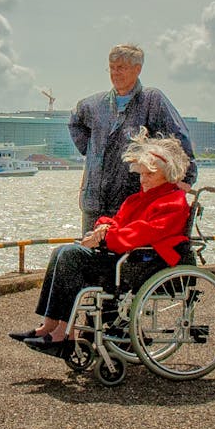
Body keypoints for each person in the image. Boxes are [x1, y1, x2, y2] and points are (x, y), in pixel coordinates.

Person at [11, 129, 193, 356]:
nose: (143, 180)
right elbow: (119, 223)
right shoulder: (140, 199)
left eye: (149, 175)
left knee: (69, 256)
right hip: (128, 259)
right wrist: (103, 228)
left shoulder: (172, 202)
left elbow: (143, 233)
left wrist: (106, 236)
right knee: (62, 252)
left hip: (141, 265)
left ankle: (63, 332)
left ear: (167, 175)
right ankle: (50, 325)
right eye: (141, 174)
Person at [69, 43, 196, 234]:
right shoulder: (92, 105)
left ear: (138, 69)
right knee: (92, 255)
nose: (115, 73)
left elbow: (178, 139)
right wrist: (95, 150)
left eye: (122, 68)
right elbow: (74, 122)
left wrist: (186, 177)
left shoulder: (152, 100)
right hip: (94, 201)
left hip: (134, 200)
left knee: (125, 254)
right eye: (112, 68)